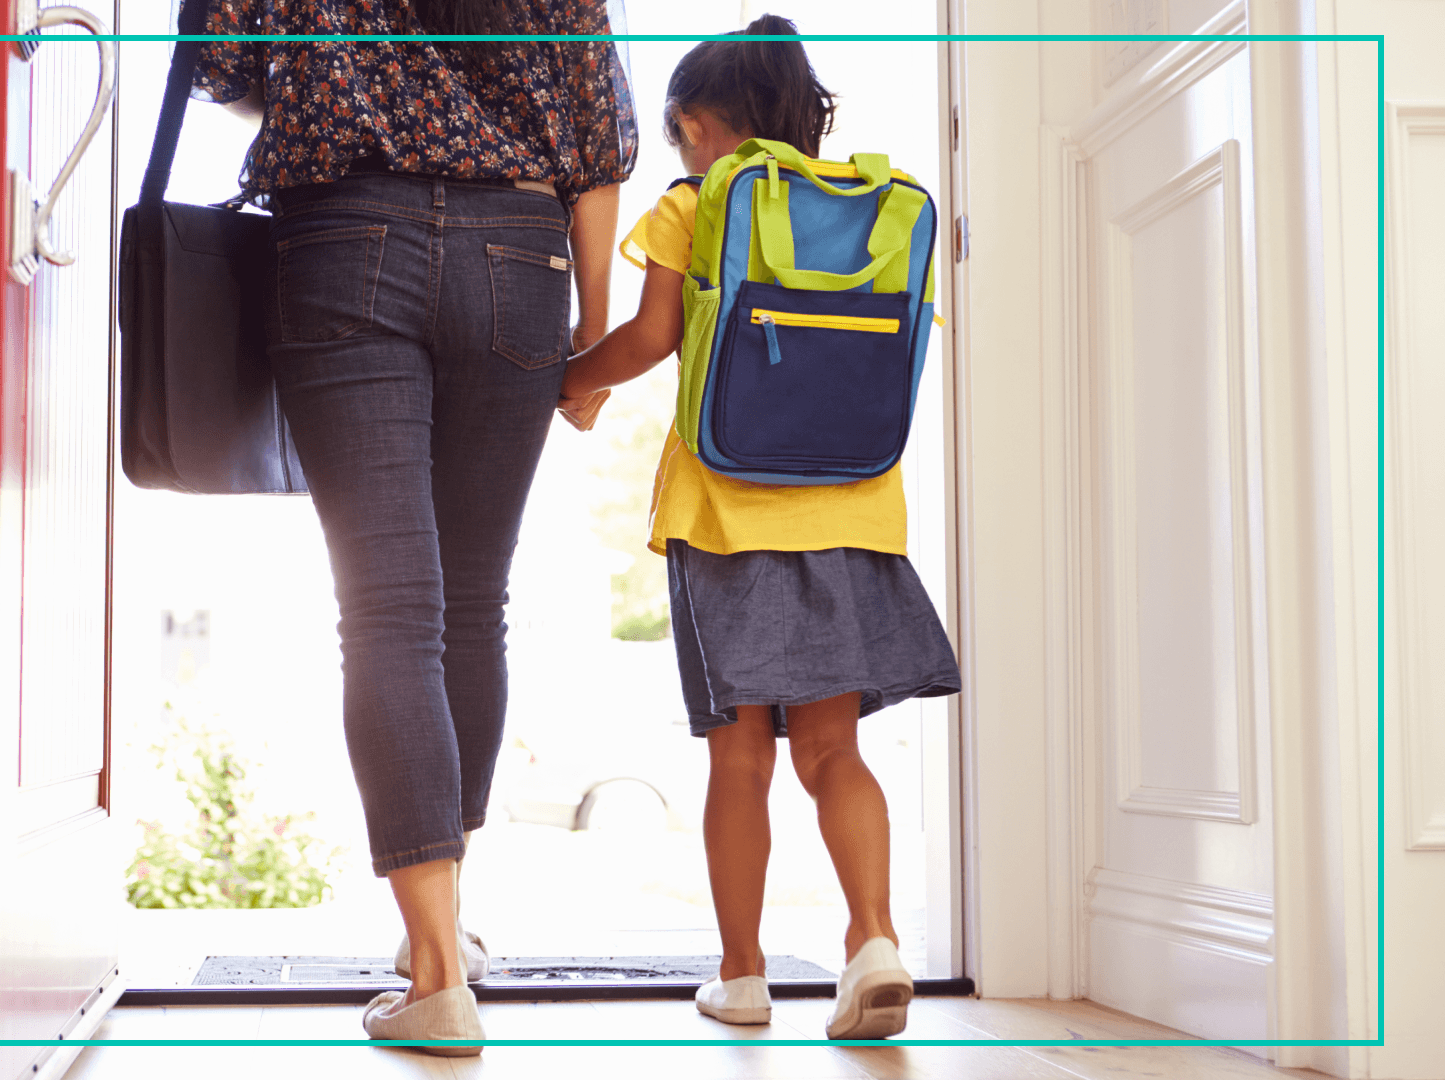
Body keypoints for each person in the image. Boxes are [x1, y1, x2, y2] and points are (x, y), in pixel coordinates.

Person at [191, 0, 637, 1054]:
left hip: (345, 236)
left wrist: (327, 81)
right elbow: (598, 135)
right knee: (473, 607)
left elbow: (218, 63)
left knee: (391, 613)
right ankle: (443, 938)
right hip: (522, 258)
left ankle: (435, 965)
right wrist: (593, 324)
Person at [556, 14, 962, 1040]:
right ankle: (874, 940)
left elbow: (650, 337)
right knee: (834, 752)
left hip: (726, 513)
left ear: (695, 122)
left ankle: (741, 977)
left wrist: (574, 385)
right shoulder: (873, 208)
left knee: (739, 760)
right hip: (855, 506)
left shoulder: (697, 201)